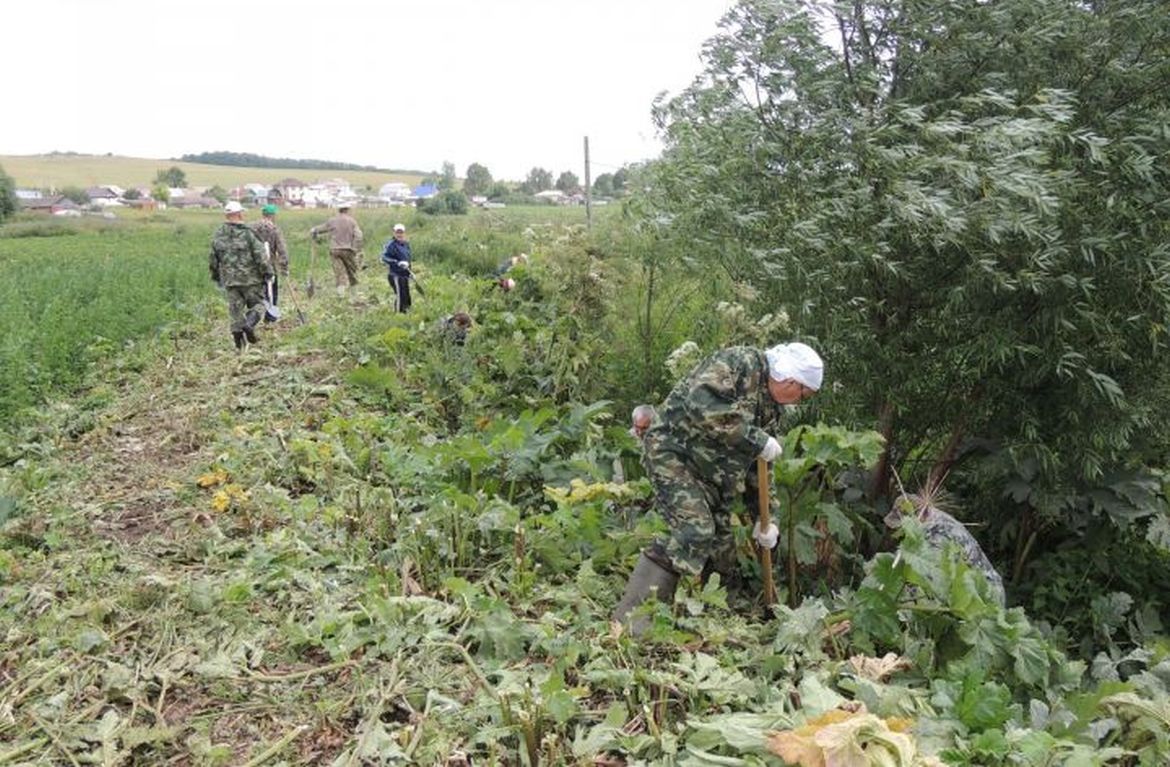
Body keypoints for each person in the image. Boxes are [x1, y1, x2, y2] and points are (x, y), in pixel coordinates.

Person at [613, 341, 824, 635]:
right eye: (803, 393)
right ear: (791, 381)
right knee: (695, 531)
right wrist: (755, 439)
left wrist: (768, 520)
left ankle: (710, 623)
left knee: (722, 548)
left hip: (711, 474)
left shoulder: (771, 408)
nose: (799, 401)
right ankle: (631, 619)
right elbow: (702, 406)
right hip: (673, 452)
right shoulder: (739, 363)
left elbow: (759, 467)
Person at [883, 495, 1006, 607]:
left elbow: (930, 578)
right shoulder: (931, 521)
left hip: (986, 596)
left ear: (918, 516)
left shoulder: (938, 533)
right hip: (971, 592)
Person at [209, 201, 273, 350]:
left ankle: (239, 348)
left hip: (230, 281)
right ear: (239, 214)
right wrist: (267, 272)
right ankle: (249, 325)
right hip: (251, 279)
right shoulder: (248, 233)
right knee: (259, 305)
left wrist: (216, 277)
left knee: (235, 311)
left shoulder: (218, 234)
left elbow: (213, 259)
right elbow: (260, 256)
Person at [309, 202, 364, 297]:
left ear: (339, 210)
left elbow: (322, 228)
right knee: (352, 272)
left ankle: (341, 294)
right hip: (348, 249)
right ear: (347, 210)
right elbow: (359, 236)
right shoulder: (352, 221)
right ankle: (354, 295)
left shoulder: (332, 220)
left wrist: (314, 230)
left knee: (339, 272)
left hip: (335, 250)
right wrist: (356, 249)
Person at [250, 204, 288, 320]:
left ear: (263, 214)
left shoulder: (251, 227)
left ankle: (253, 317)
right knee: (272, 291)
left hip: (254, 266)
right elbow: (282, 250)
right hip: (269, 266)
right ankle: (270, 317)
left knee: (257, 292)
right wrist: (284, 267)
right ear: (272, 215)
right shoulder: (274, 229)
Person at [381, 223, 412, 312]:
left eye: (401, 232)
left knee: (406, 295)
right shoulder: (390, 245)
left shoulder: (406, 244)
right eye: (397, 232)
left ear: (404, 233)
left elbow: (408, 259)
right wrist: (397, 263)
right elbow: (383, 257)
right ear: (394, 233)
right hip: (395, 274)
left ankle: (406, 313)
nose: (399, 234)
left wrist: (410, 273)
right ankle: (398, 315)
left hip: (405, 274)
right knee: (400, 295)